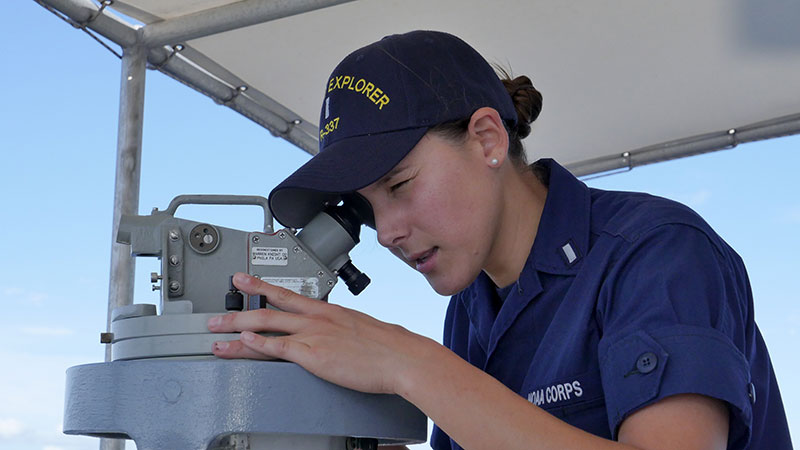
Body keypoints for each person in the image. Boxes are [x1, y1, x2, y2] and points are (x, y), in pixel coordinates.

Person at [207, 30, 792, 449]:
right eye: (367, 208)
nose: (386, 233)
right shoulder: (471, 308)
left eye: (401, 184)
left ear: (487, 139)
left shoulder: (658, 253)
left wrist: (409, 365)